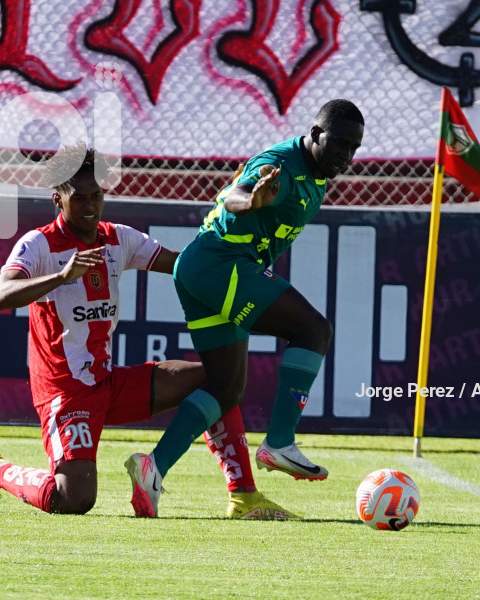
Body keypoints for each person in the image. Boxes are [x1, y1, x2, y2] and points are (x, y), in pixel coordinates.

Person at [0, 144, 297, 520]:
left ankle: (244, 496)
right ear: (57, 198)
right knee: (75, 499)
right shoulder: (39, 244)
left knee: (220, 381)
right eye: (80, 198)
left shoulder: (117, 238)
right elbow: (0, 296)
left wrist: (236, 221)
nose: (90, 206)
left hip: (109, 381)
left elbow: (185, 265)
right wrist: (60, 277)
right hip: (66, 393)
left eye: (97, 196)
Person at [126, 100, 365, 516]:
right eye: (339, 144)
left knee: (225, 387)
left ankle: (153, 468)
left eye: (354, 148)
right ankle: (280, 442)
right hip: (221, 266)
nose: (347, 155)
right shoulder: (281, 164)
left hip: (202, 270)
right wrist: (250, 200)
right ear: (314, 133)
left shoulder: (318, 175)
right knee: (313, 331)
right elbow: (234, 195)